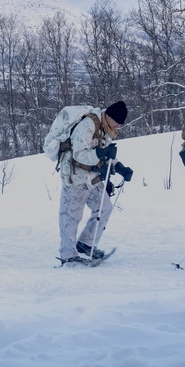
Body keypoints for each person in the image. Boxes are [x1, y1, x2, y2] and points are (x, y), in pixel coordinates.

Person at [51, 100, 131, 265]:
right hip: (75, 176)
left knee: (104, 208)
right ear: (109, 116)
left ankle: (86, 243)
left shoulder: (106, 128)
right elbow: (79, 154)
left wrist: (120, 167)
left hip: (92, 177)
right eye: (117, 123)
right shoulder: (87, 126)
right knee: (71, 216)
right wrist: (100, 154)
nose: (117, 127)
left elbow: (106, 153)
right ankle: (68, 255)